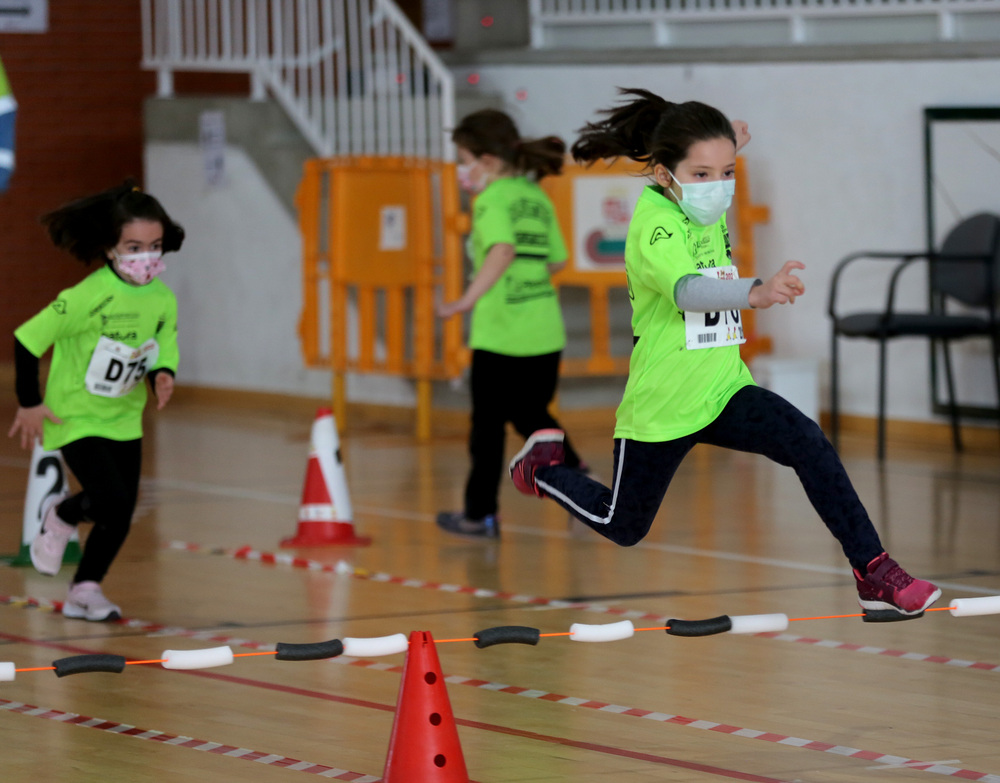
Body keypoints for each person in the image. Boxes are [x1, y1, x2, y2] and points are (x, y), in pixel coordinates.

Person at [508, 88, 941, 621]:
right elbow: (689, 292)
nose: (719, 186)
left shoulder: (699, 180)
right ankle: (543, 470)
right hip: (663, 404)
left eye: (728, 172)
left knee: (806, 441)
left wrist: (728, 142)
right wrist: (755, 292)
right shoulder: (654, 225)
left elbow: (713, 151)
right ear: (665, 174)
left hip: (722, 388)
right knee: (624, 525)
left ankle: (873, 572)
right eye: (703, 175)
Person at [7, 181, 184, 621]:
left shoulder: (162, 298)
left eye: (155, 246)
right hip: (76, 414)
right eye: (134, 246)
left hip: (124, 416)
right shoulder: (87, 296)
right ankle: (62, 512)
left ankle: (85, 589)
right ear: (110, 249)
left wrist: (164, 372)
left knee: (120, 513)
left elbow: (165, 340)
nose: (146, 257)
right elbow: (27, 340)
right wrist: (29, 402)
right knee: (107, 499)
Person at [435, 109, 586, 539]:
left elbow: (501, 250)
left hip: (501, 333)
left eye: (464, 160)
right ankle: (576, 475)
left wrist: (466, 299)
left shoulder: (493, 199)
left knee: (487, 429)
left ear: (487, 161)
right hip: (544, 330)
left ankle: (479, 515)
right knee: (531, 414)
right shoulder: (534, 195)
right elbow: (557, 258)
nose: (462, 170)